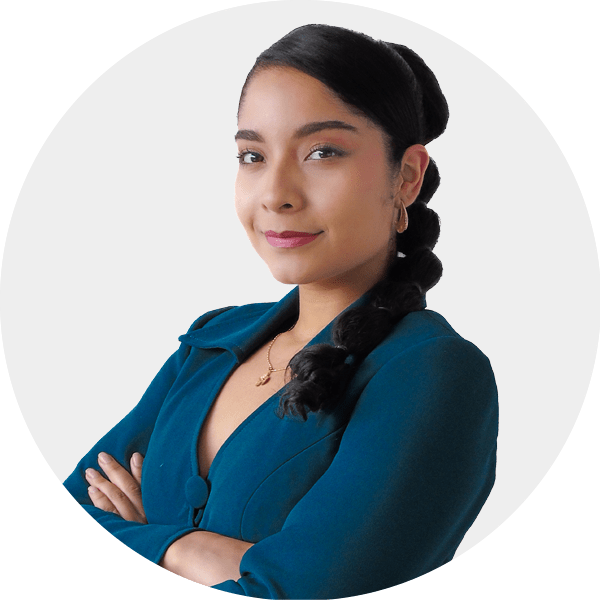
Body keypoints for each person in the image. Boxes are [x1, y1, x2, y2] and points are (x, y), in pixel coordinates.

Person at [64, 24, 498, 599]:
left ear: (407, 176)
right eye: (253, 156)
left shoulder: (433, 374)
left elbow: (293, 593)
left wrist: (137, 540)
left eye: (322, 152)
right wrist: (187, 550)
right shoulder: (212, 342)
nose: (275, 194)